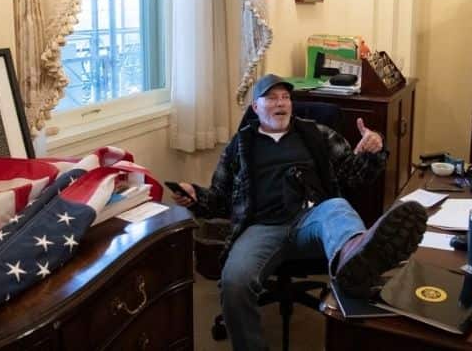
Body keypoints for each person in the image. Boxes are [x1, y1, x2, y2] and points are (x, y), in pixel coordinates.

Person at [171, 74, 427, 350]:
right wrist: (196, 197)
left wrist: (374, 150)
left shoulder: (316, 134)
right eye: (271, 98)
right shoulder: (239, 146)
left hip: (313, 220)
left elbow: (356, 175)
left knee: (337, 207)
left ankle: (354, 259)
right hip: (261, 228)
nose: (281, 103)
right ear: (255, 108)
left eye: (286, 97)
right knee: (233, 284)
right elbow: (220, 200)